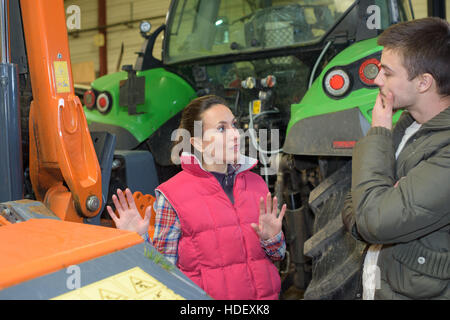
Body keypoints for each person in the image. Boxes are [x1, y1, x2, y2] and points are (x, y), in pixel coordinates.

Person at [107, 95, 286, 300]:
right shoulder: (173, 195)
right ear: (198, 143)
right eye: (221, 129)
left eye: (234, 125)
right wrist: (139, 241)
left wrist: (272, 239)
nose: (235, 135)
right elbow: (164, 272)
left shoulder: (257, 185)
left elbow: (277, 255)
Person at [342, 17, 449, 299]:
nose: (377, 80)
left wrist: (378, 132)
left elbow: (372, 220)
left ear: (424, 82)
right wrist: (374, 203)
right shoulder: (407, 124)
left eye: (387, 73)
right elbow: (357, 200)